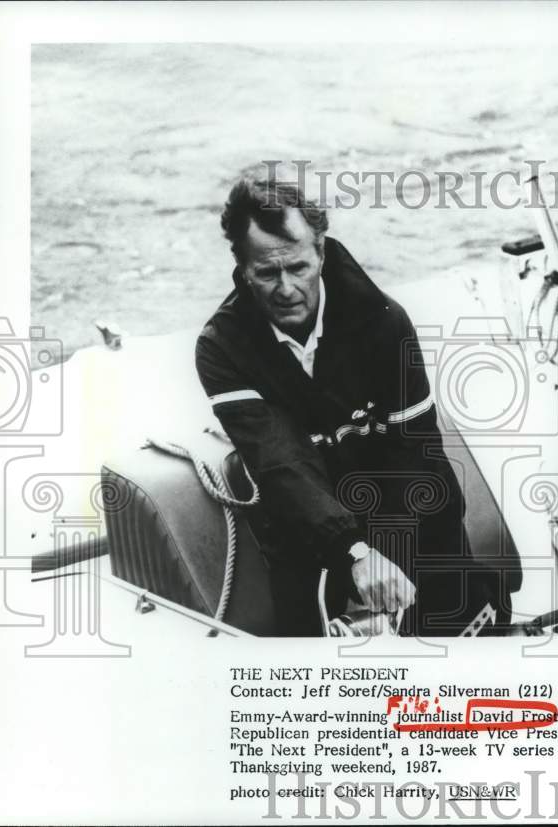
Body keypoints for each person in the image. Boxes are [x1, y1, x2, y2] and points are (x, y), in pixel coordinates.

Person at [196, 175, 497, 636]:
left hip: (409, 510)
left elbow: (414, 452)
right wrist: (355, 552)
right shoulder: (222, 349)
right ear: (242, 267)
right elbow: (282, 464)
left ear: (321, 252)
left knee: (458, 633)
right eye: (266, 273)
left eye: (297, 267)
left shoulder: (385, 322)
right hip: (309, 531)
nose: (285, 289)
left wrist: (389, 567)